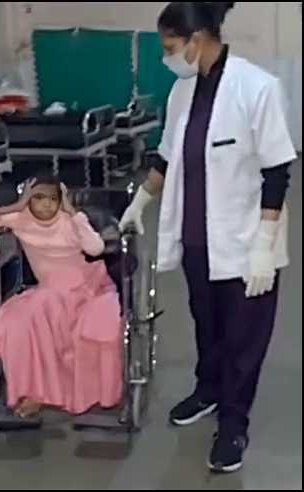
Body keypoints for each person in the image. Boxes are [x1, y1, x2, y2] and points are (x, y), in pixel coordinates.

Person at [119, 2, 295, 473]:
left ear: (197, 39)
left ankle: (234, 424)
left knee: (243, 336)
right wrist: (139, 202)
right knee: (207, 322)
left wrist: (265, 244)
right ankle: (209, 389)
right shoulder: (183, 91)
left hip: (246, 242)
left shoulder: (257, 87)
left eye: (171, 47)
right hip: (198, 238)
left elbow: (278, 171)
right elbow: (166, 158)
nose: (167, 58)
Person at [0, 175, 122, 418]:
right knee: (17, 324)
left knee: (52, 317)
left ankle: (51, 393)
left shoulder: (69, 221)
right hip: (48, 290)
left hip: (86, 287)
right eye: (38, 198)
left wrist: (73, 213)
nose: (46, 204)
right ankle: (35, 393)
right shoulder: (20, 219)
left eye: (52, 199)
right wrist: (17, 205)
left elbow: (95, 248)